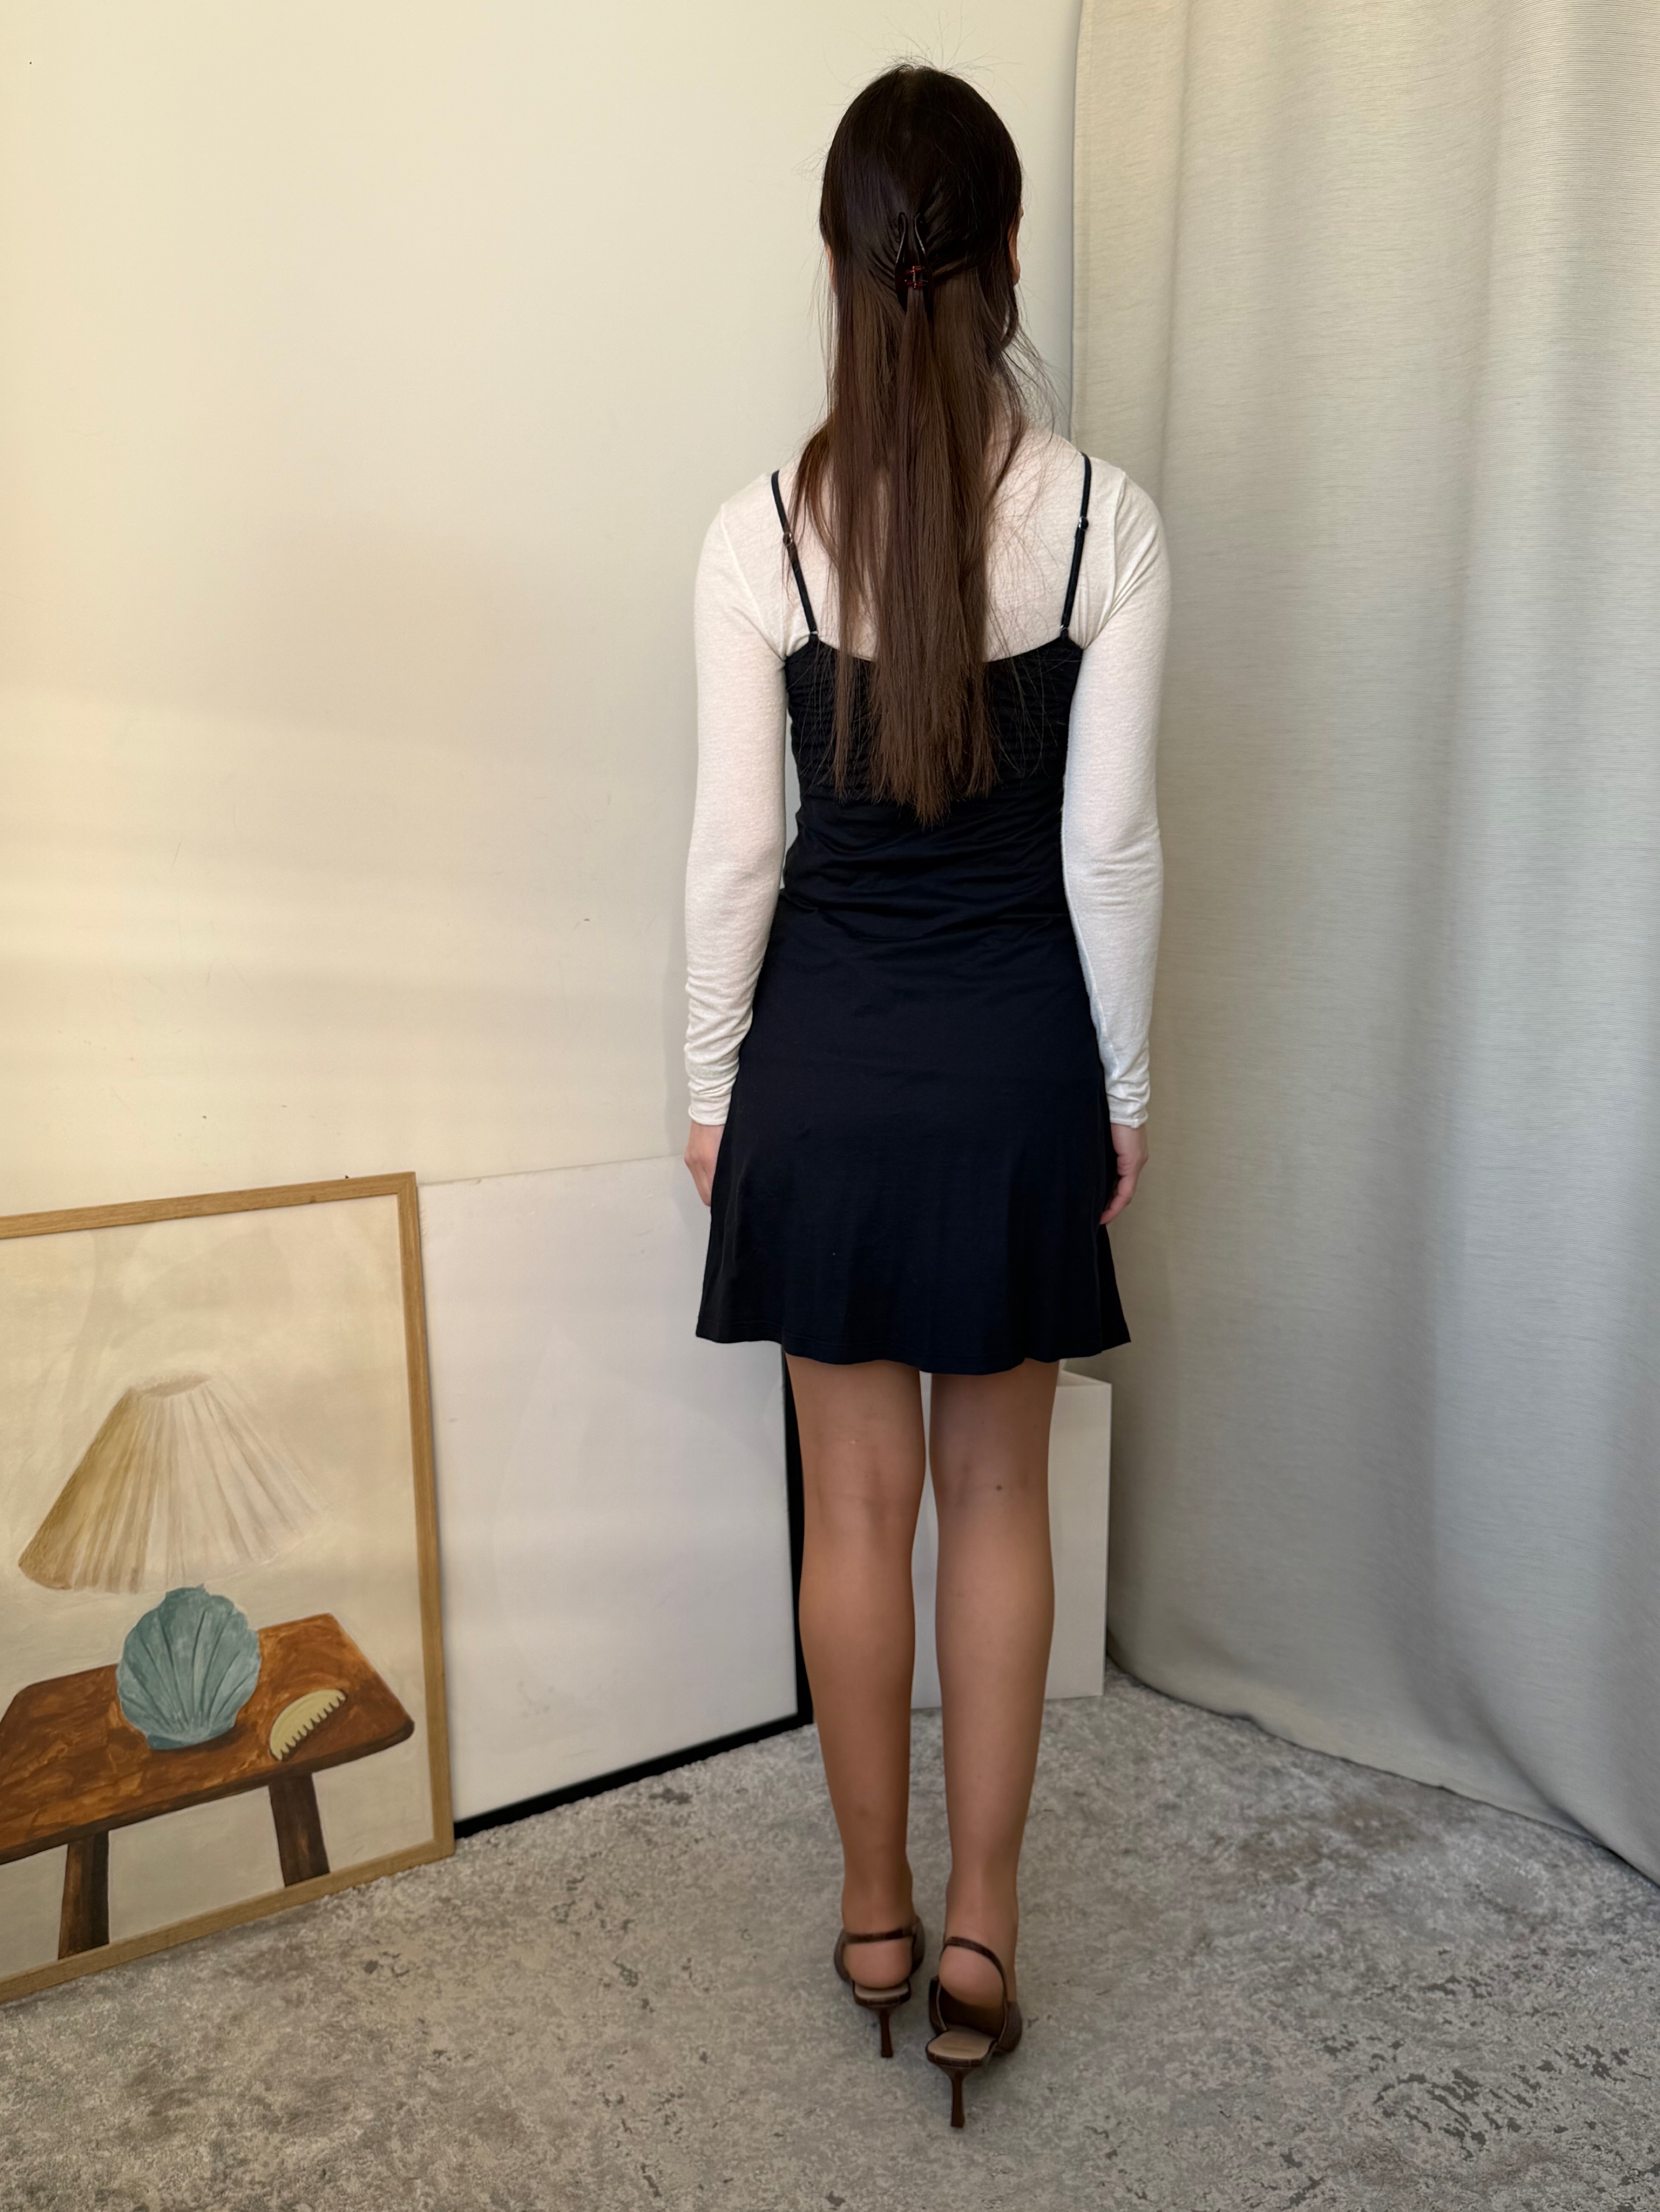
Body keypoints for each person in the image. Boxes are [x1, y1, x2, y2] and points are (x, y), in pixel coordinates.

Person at [680, 63, 1169, 2128]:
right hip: (1008, 1071)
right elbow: (1107, 851)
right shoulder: (1105, 520)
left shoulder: (758, 536)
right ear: (1010, 255)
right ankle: (980, 1932)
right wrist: (1119, 1093)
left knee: (852, 1509)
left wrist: (710, 1085)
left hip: (822, 1071)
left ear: (836, 260)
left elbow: (737, 852)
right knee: (996, 1501)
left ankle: (870, 1918)